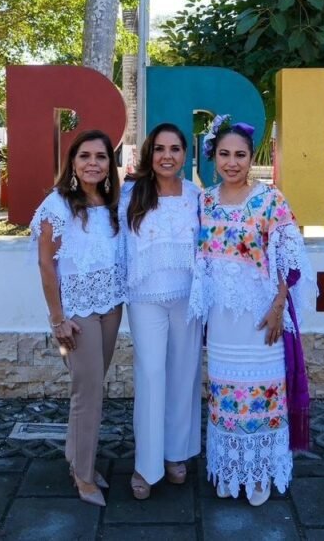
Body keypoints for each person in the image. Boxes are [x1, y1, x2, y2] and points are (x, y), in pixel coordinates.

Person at [189, 114, 314, 506]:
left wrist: (279, 306)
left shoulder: (270, 200)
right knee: (225, 390)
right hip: (223, 318)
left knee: (262, 389)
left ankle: (258, 472)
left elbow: (290, 258)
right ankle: (230, 468)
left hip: (261, 315)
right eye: (224, 154)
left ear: (251, 156)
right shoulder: (205, 201)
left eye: (240, 155)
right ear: (213, 157)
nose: (232, 162)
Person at [31, 129, 124, 507]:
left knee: (89, 389)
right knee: (89, 395)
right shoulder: (57, 205)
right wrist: (58, 319)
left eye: (101, 157)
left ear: (109, 164)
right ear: (72, 162)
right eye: (85, 156)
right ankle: (84, 477)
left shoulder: (113, 203)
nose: (93, 164)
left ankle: (76, 459)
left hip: (112, 307)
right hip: (78, 314)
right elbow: (45, 264)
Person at [119, 123, 202, 500]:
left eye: (175, 148)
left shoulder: (197, 197)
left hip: (187, 299)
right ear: (150, 154)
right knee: (151, 375)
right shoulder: (130, 195)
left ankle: (175, 454)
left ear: (185, 154)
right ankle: (146, 463)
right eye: (160, 149)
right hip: (145, 297)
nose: (167, 155)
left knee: (184, 374)